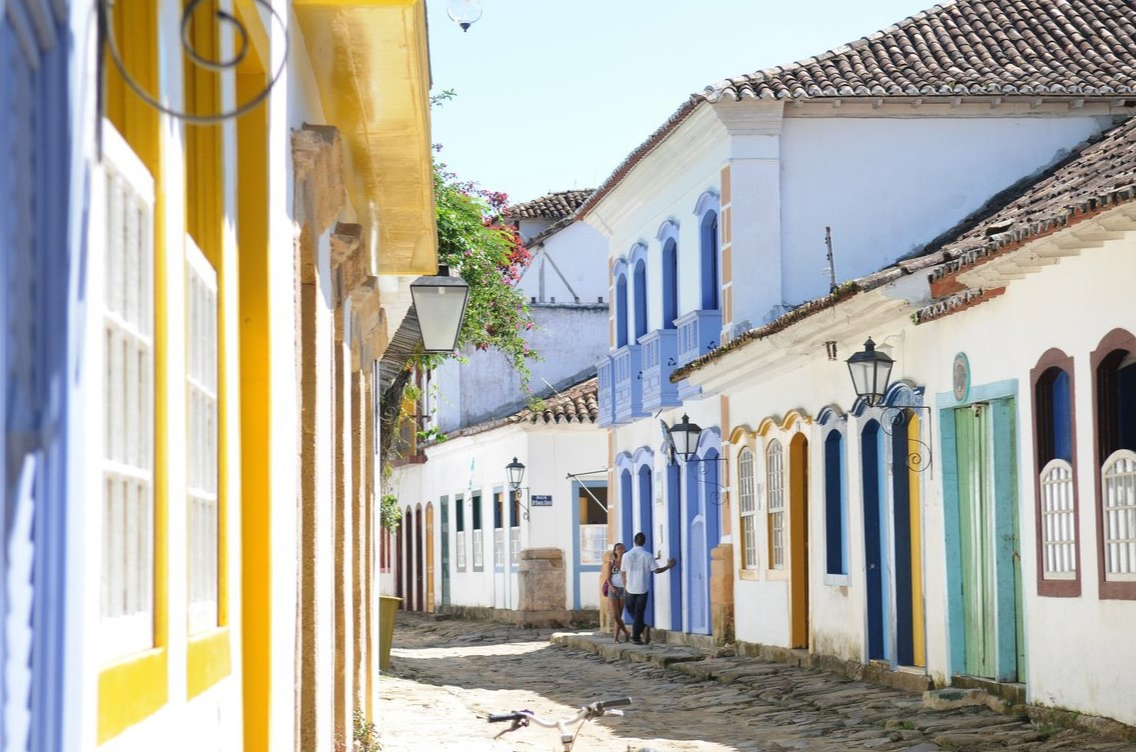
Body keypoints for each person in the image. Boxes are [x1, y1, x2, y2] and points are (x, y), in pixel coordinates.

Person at [622, 531, 675, 645]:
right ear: (644, 542)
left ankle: (637, 635)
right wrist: (668, 566)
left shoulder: (626, 556)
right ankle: (641, 630)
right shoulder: (648, 555)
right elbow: (656, 570)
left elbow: (623, 572)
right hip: (642, 588)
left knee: (632, 611)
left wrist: (624, 586)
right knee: (638, 613)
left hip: (630, 587)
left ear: (634, 541)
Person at [605, 542, 631, 643]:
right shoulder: (611, 563)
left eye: (622, 548)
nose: (620, 550)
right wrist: (612, 588)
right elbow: (608, 578)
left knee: (619, 615)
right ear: (615, 551)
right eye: (618, 549)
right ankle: (626, 632)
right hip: (613, 589)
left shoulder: (627, 562)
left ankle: (615, 637)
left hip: (623, 589)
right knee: (615, 614)